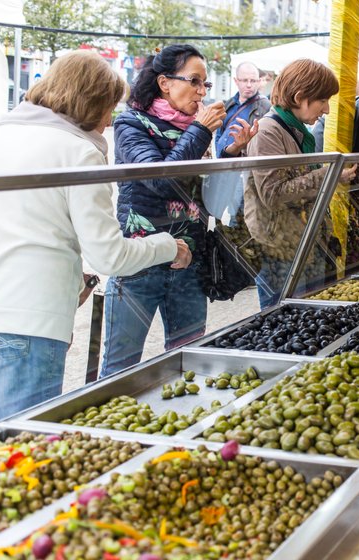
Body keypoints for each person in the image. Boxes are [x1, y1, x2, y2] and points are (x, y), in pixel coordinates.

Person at [0, 51, 186, 431]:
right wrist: (168, 246)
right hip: (28, 323)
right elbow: (110, 256)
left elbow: (2, 225)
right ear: (91, 102)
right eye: (109, 108)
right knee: (26, 448)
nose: (110, 120)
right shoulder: (78, 152)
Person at [102, 44, 256, 377]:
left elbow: (210, 199)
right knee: (120, 366)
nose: (202, 91)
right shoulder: (131, 124)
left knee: (188, 362)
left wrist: (230, 155)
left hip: (189, 262)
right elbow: (161, 179)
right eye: (195, 81)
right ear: (165, 83)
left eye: (206, 85)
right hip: (139, 262)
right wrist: (200, 131)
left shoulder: (197, 129)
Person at [244, 59, 357, 308]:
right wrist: (328, 174)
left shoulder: (296, 132)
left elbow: (300, 181)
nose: (326, 110)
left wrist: (334, 176)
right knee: (281, 322)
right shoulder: (268, 132)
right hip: (280, 249)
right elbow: (273, 194)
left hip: (305, 242)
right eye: (323, 100)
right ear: (299, 97)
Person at [215, 61, 270, 158]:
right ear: (236, 81)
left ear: (258, 81)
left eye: (253, 81)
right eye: (245, 80)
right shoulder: (228, 104)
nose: (249, 85)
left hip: (244, 165)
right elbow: (219, 133)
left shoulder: (266, 107)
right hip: (221, 161)